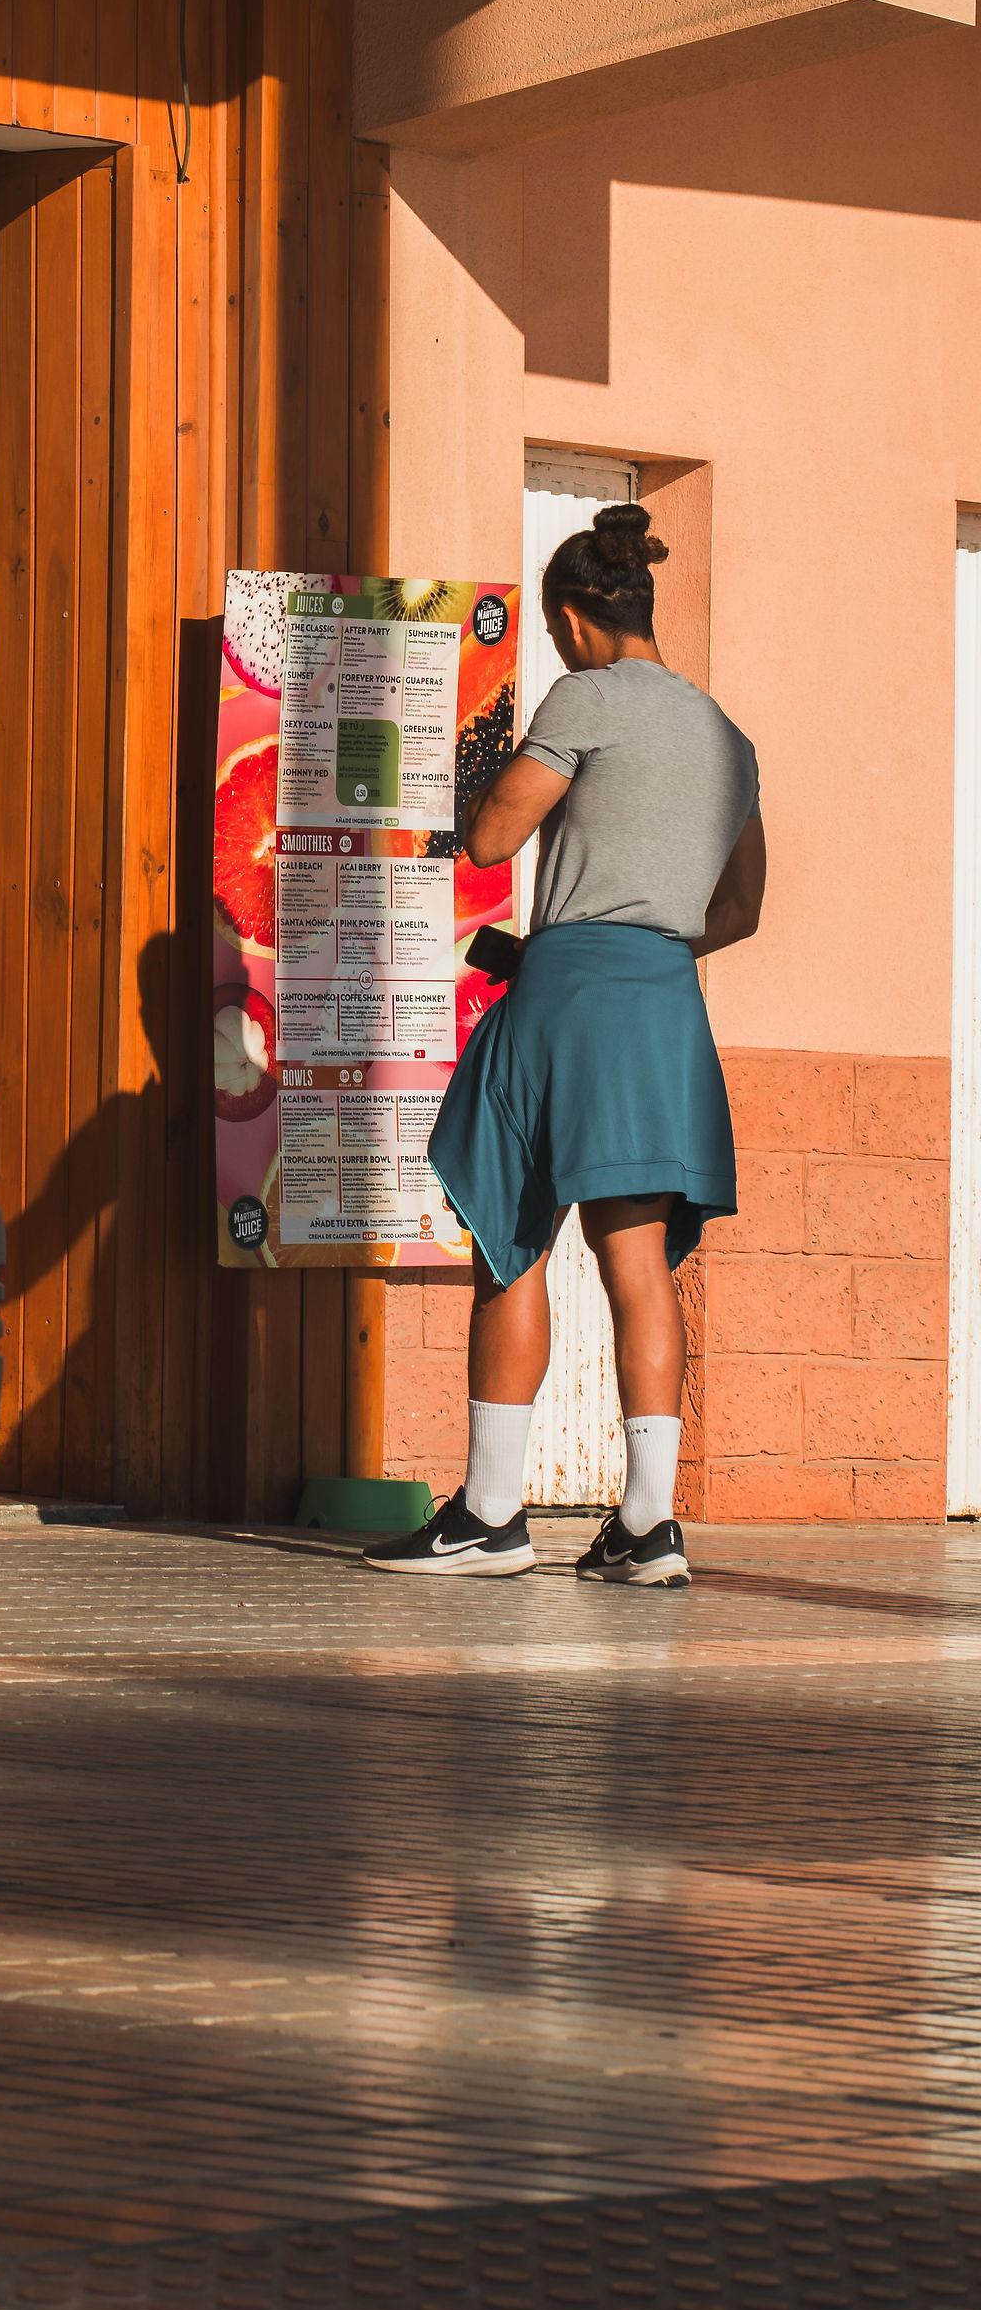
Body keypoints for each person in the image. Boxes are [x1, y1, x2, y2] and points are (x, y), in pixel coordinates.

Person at [368, 504, 764, 1593]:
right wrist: (647, 933)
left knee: (512, 1237)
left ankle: (492, 1515)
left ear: (574, 619)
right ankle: (649, 1528)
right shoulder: (724, 734)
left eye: (554, 632)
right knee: (638, 1266)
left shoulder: (585, 696)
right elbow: (742, 906)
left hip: (570, 994)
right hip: (663, 1001)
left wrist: (479, 808)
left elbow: (497, 834)